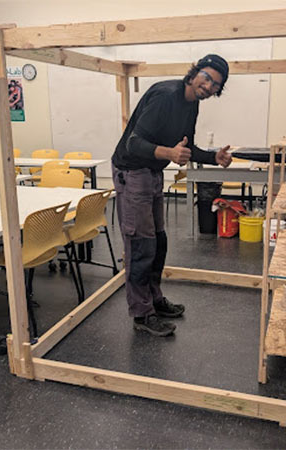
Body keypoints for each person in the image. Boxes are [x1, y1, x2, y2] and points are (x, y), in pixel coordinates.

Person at [112, 54, 233, 336]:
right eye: (207, 77)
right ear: (195, 72)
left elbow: (186, 149)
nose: (209, 86)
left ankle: (154, 299)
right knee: (141, 246)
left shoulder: (191, 105)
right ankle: (142, 314)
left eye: (216, 84)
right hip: (132, 172)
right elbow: (133, 143)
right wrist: (169, 153)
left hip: (153, 172)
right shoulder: (166, 95)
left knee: (158, 242)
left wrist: (214, 157)